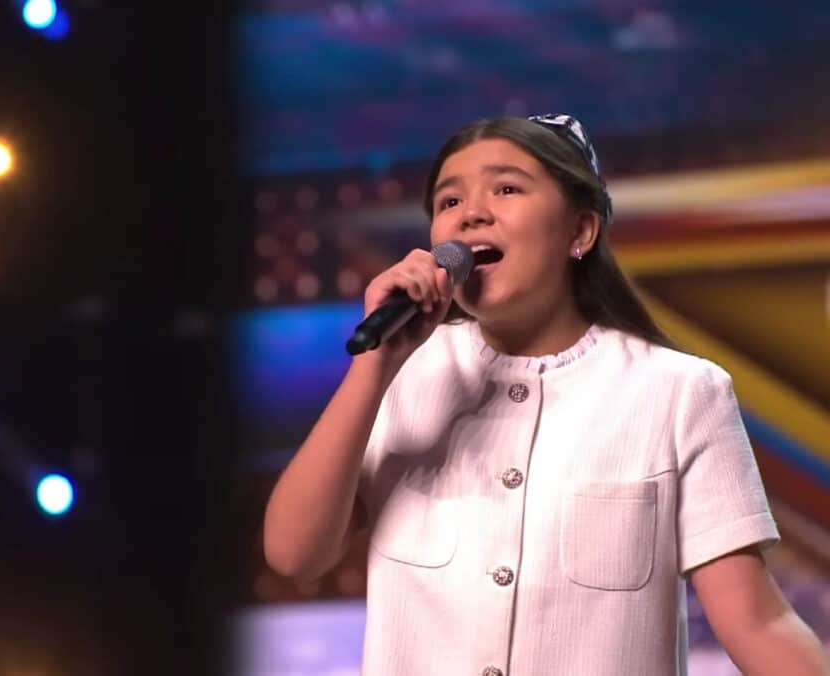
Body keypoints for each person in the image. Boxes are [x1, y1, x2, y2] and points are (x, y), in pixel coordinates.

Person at [261, 113, 830, 675]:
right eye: (450, 201)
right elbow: (294, 554)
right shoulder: (402, 373)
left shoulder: (679, 391)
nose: (472, 213)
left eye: (506, 189)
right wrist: (374, 368)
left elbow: (756, 622)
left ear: (580, 232)